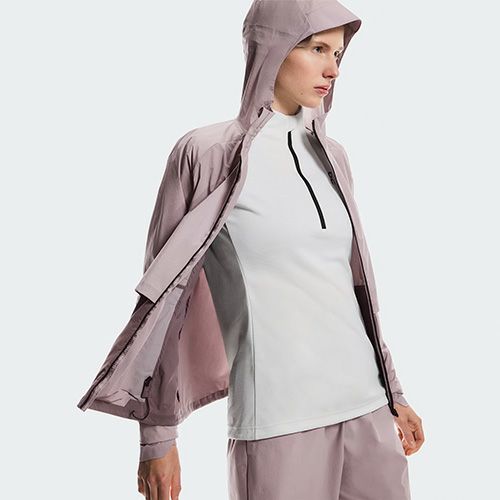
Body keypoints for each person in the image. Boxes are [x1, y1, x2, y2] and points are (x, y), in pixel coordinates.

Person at [77, 1, 425, 499]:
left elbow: (353, 292)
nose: (332, 69)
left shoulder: (333, 156)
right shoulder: (207, 154)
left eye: (338, 54)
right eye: (317, 49)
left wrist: (395, 393)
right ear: (273, 47)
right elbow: (165, 302)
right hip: (278, 421)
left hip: (368, 412)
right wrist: (157, 437)